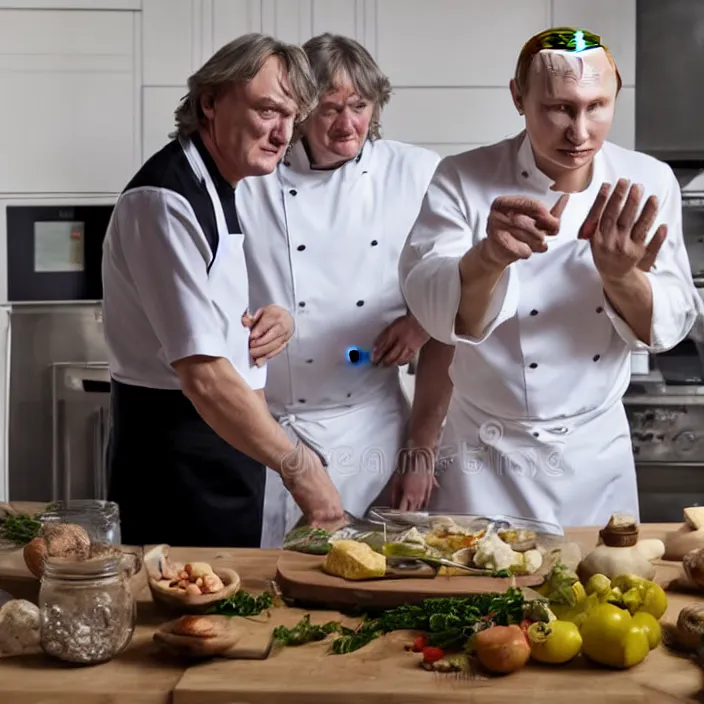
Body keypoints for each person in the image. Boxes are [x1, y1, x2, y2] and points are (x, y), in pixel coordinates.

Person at [398, 26, 700, 528]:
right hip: (483, 456)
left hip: (592, 455)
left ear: (615, 97)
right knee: (477, 598)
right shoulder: (461, 177)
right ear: (518, 97)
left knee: (602, 595)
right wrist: (488, 258)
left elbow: (667, 325)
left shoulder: (649, 180)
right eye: (559, 108)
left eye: (596, 106)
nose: (579, 132)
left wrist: (620, 276)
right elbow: (433, 308)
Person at [102, 33, 344, 548]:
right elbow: (204, 377)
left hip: (221, 447)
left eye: (291, 118)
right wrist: (301, 468)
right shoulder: (164, 201)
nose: (282, 134)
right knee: (184, 619)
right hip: (177, 459)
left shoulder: (220, 183)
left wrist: (269, 319)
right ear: (210, 102)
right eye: (267, 111)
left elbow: (203, 315)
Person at [235, 33, 442, 547]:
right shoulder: (251, 174)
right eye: (329, 109)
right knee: (268, 574)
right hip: (263, 426)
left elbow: (475, 277)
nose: (347, 124)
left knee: (364, 573)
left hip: (366, 423)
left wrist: (423, 321)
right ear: (300, 111)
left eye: (359, 106)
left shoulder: (415, 172)